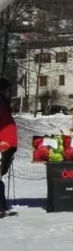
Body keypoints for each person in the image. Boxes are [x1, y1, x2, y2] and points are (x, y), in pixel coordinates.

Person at [0, 78, 17, 216]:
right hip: (3, 145)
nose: (10, 92)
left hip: (7, 144)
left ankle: (2, 206)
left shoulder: (4, 103)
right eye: (8, 89)